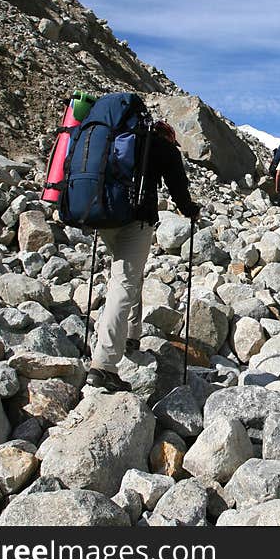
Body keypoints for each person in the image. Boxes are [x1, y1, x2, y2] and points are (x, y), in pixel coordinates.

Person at [86, 120, 201, 392]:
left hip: (103, 216)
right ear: (170, 136)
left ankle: (133, 334)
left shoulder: (113, 139)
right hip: (136, 221)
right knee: (124, 283)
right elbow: (178, 190)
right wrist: (191, 210)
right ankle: (103, 365)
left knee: (129, 274)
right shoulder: (163, 147)